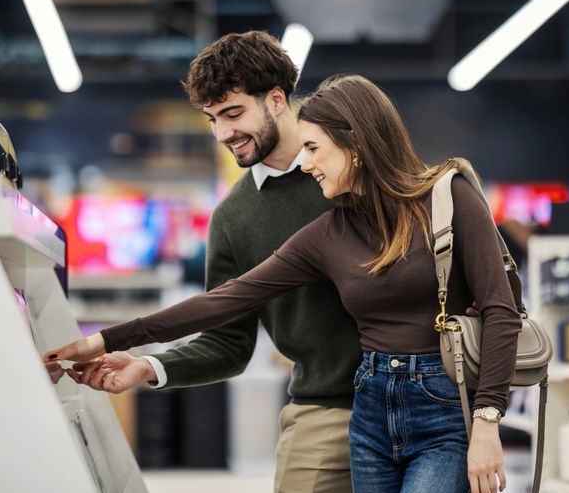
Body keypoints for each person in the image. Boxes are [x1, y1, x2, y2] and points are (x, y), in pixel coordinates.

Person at [46, 75, 522, 493]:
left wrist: (487, 421)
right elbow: (226, 301)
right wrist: (102, 340)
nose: (307, 162)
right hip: (371, 410)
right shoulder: (327, 233)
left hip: (443, 408)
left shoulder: (449, 195)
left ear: (354, 143)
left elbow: (501, 310)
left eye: (314, 148)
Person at [61, 31, 364, 493]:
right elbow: (228, 343)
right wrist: (149, 366)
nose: (223, 134)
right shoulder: (233, 219)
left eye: (233, 113)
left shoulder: (355, 173)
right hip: (324, 410)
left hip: (418, 402)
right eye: (212, 119)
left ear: (277, 99)